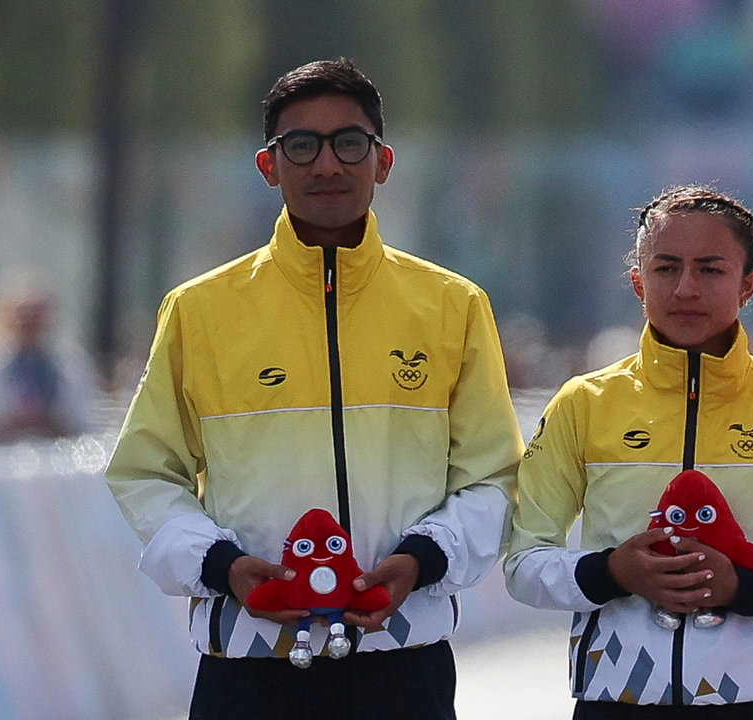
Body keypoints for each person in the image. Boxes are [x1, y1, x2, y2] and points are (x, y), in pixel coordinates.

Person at [106, 58, 523, 720]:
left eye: (348, 143)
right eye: (301, 144)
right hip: (246, 663)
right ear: (268, 165)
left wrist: (421, 558)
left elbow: (494, 476)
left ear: (382, 161)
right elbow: (143, 473)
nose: (326, 164)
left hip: (402, 663)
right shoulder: (200, 310)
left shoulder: (452, 305)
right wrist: (221, 566)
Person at [504, 186, 753, 718]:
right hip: (618, 696)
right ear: (637, 282)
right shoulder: (584, 401)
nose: (686, 288)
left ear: (748, 286)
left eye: (711, 270)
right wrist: (612, 572)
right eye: (666, 268)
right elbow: (522, 562)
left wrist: (745, 587)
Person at [0, 278, 97, 445]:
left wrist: (51, 423)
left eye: (36, 317)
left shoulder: (72, 365)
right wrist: (6, 424)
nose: (29, 324)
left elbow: (87, 427)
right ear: (9, 318)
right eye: (23, 316)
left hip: (57, 460)